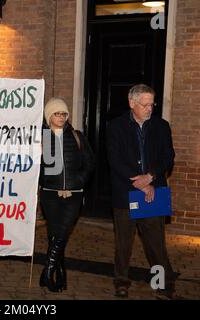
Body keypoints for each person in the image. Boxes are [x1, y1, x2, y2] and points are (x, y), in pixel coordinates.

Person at [106, 84, 178, 299]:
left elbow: (168, 156)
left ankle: (160, 283)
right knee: (123, 243)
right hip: (125, 192)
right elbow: (115, 160)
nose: (149, 109)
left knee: (155, 244)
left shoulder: (161, 126)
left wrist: (151, 177)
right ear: (132, 103)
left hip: (154, 191)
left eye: (152, 104)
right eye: (145, 105)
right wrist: (140, 183)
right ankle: (121, 281)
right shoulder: (115, 127)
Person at [39, 98, 95, 292]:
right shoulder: (41, 137)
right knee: (55, 235)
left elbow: (90, 163)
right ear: (49, 116)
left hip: (74, 194)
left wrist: (78, 181)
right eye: (57, 113)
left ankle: (47, 273)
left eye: (64, 114)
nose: (61, 117)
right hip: (50, 194)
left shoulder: (76, 136)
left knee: (62, 233)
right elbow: (33, 168)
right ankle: (61, 274)